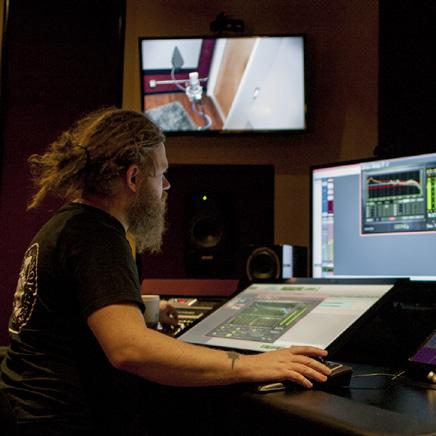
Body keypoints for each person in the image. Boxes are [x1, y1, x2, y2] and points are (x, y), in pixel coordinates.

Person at [0, 107, 331, 436]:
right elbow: (130, 350)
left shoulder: (68, 225)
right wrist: (249, 365)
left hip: (31, 412)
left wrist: (142, 309)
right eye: (161, 173)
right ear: (133, 178)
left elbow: (73, 310)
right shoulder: (97, 237)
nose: (167, 185)